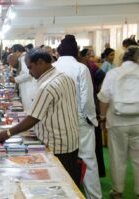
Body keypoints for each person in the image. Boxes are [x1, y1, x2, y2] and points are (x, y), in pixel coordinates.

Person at [0, 48, 80, 185]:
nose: (29, 72)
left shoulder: (47, 86)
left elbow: (33, 118)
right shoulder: (64, 77)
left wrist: (8, 132)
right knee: (68, 181)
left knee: (58, 184)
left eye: (30, 67)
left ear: (40, 62)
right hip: (71, 141)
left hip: (57, 144)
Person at [53, 35, 102, 199]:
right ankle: (94, 196)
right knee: (88, 159)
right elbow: (87, 98)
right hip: (80, 121)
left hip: (58, 122)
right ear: (76, 51)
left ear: (59, 51)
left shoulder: (52, 67)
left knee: (59, 161)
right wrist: (91, 119)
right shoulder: (81, 68)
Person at [98, 45, 139, 199]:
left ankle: (118, 191)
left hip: (117, 121)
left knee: (117, 156)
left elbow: (104, 98)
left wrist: (102, 118)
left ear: (122, 58)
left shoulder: (113, 73)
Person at [79, 48, 106, 178]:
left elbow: (102, 77)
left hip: (90, 106)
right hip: (89, 107)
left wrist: (96, 88)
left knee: (91, 149)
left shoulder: (89, 66)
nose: (90, 56)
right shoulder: (85, 66)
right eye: (88, 54)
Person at [8, 44, 35, 111]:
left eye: (13, 53)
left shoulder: (24, 58)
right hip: (27, 87)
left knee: (28, 110)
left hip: (28, 88)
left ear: (17, 51)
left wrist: (15, 79)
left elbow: (28, 74)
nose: (13, 55)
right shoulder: (23, 57)